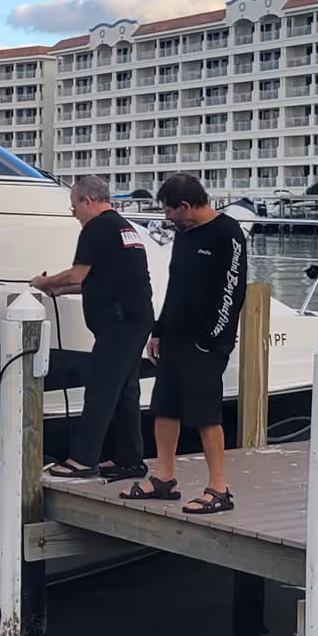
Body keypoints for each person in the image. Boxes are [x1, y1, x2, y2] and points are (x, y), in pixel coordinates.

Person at [123, 171, 246, 514]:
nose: (166, 218)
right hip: (175, 337)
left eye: (170, 211)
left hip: (207, 341)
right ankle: (164, 476)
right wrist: (159, 330)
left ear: (187, 206)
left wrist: (211, 340)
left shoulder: (228, 233)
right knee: (164, 405)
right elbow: (175, 286)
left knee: (206, 414)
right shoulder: (184, 234)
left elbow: (232, 292)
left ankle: (218, 488)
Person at [30, 175, 153, 482]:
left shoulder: (96, 228)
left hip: (119, 323)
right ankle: (130, 460)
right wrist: (63, 291)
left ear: (88, 201)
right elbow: (102, 281)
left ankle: (83, 460)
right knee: (125, 390)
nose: (74, 214)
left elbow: (78, 272)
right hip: (136, 318)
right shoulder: (125, 228)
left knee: (100, 389)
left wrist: (45, 282)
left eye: (74, 207)